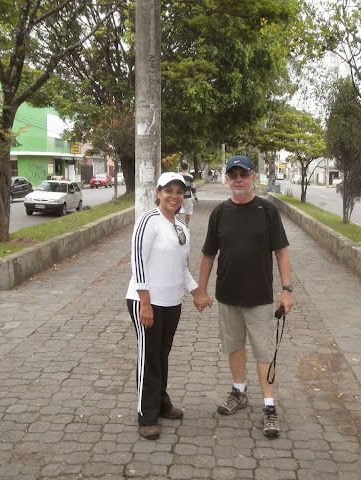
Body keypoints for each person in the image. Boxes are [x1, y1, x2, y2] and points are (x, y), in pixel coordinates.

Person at [194, 155, 294, 438]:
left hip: (260, 297)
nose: (238, 179)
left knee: (264, 351)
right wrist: (200, 289)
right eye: (233, 174)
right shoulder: (219, 213)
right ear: (227, 179)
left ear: (253, 177)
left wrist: (287, 290)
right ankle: (239, 392)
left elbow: (281, 252)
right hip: (227, 295)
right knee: (234, 346)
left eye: (244, 174)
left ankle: (270, 406)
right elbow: (208, 254)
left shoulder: (267, 211)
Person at [126, 172, 202, 440]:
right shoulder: (149, 221)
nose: (174, 196)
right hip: (147, 302)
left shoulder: (182, 227)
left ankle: (161, 403)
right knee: (149, 357)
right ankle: (146, 414)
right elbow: (138, 263)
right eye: (168, 190)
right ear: (158, 192)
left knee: (162, 355)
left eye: (179, 192)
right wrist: (145, 304)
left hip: (172, 302)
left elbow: (183, 268)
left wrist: (196, 292)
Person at [177, 162, 198, 226]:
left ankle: (177, 225)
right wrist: (195, 197)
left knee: (177, 211)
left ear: (181, 168)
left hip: (178, 196)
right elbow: (193, 188)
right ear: (187, 168)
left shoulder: (177, 176)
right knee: (188, 212)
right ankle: (185, 226)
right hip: (187, 197)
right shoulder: (190, 177)